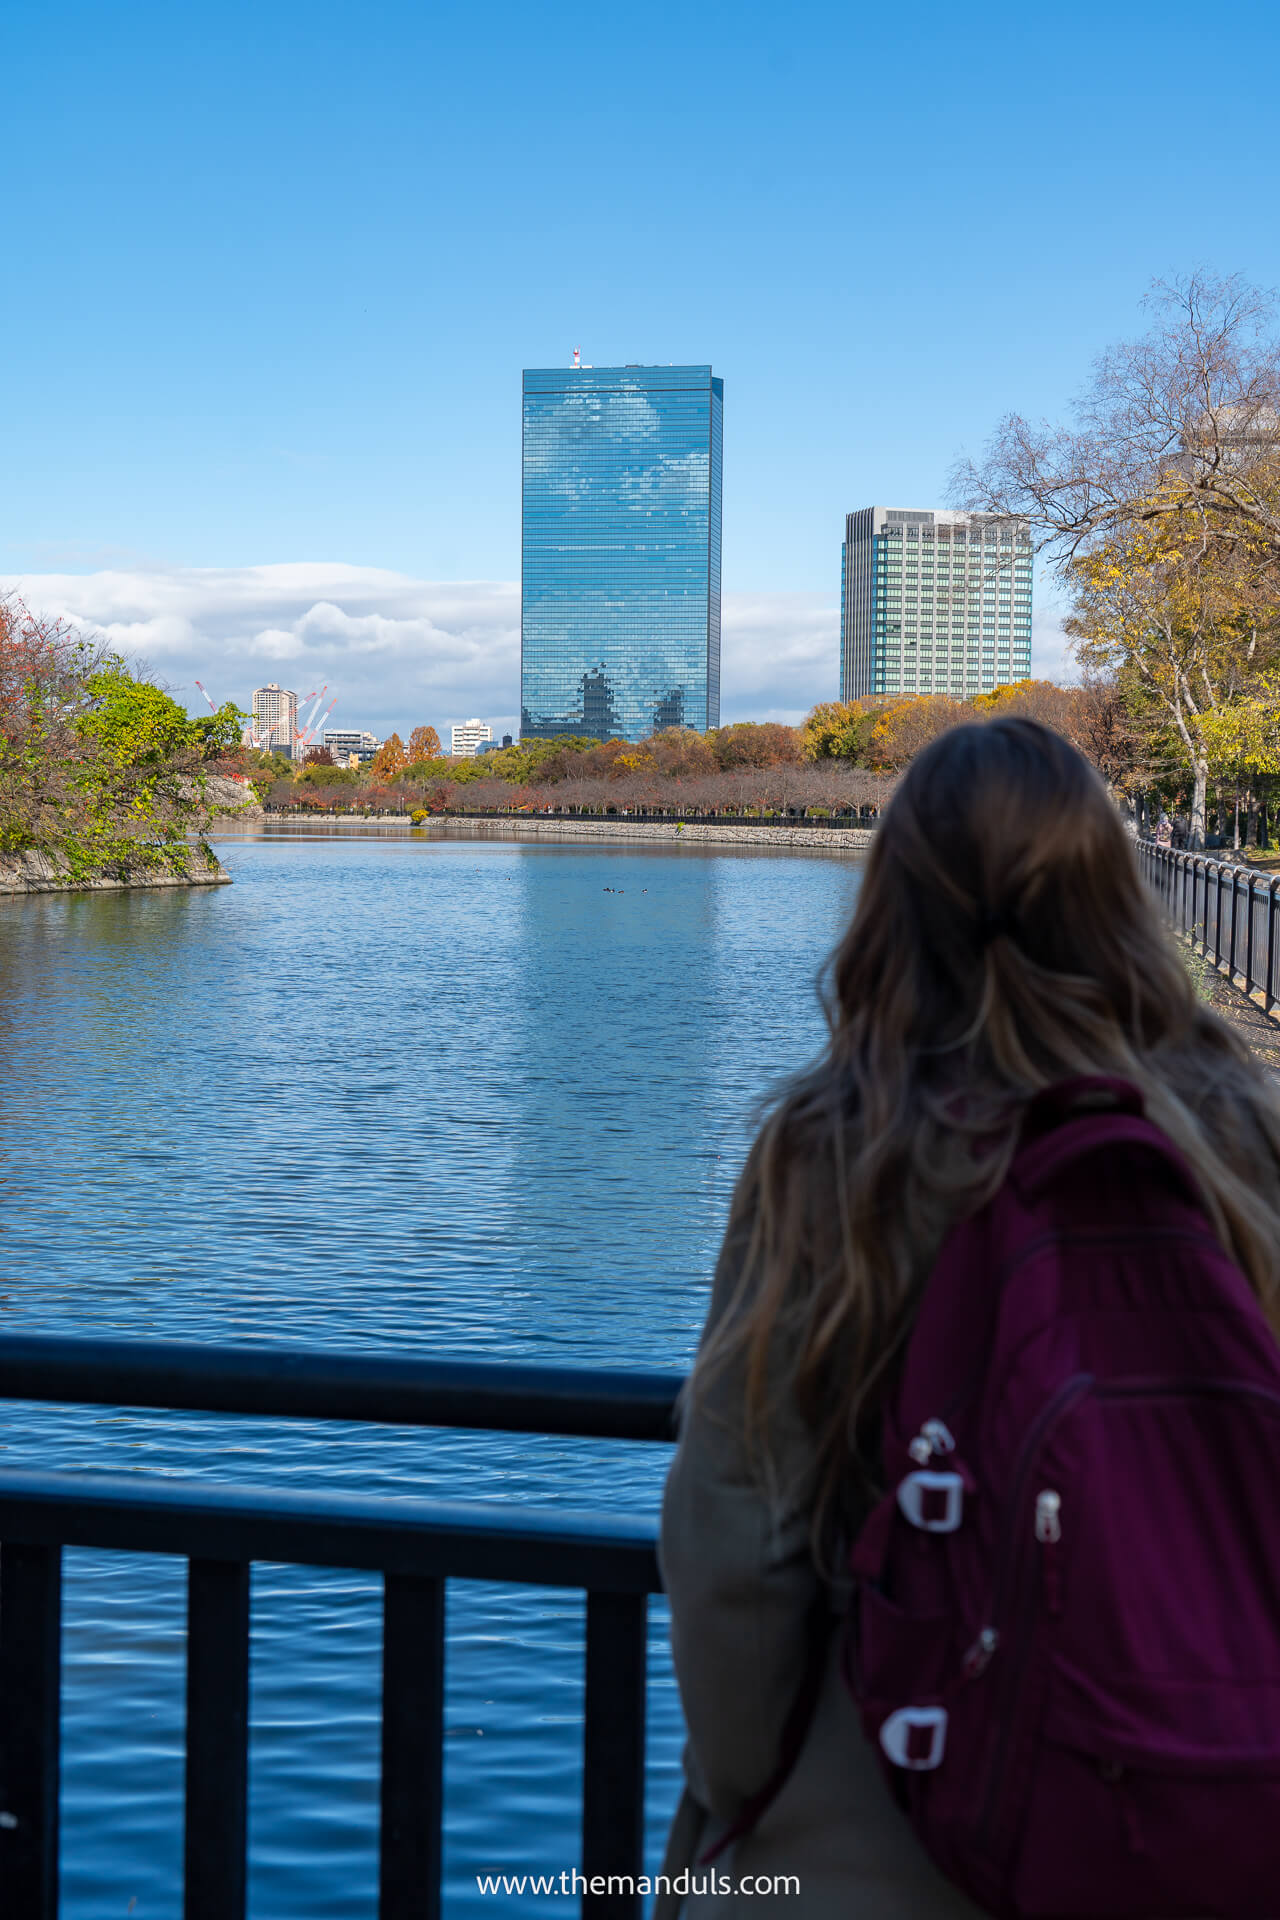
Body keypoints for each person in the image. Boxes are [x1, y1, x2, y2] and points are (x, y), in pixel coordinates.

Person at [657, 717, 1280, 1919]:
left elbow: (738, 1522)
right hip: (1196, 1788)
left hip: (892, 1797)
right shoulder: (1233, 1131)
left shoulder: (841, 1144)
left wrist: (750, 1796)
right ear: (1116, 889)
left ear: (894, 897)